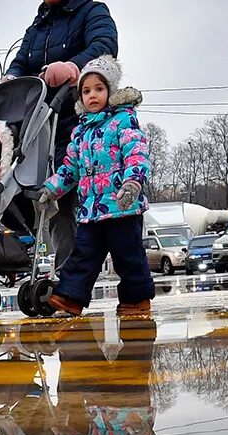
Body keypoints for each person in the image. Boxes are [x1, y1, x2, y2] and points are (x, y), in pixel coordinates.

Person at [4, 0, 119, 272]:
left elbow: (104, 45)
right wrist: (11, 77)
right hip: (46, 127)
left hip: (86, 123)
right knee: (55, 202)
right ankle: (67, 277)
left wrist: (72, 67)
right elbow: (22, 60)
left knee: (89, 202)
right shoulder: (38, 27)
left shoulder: (92, 12)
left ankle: (113, 271)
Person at [39, 56, 154, 317]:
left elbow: (136, 153)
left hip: (122, 206)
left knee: (129, 256)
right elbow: (70, 168)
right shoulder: (80, 132)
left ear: (110, 91)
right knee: (83, 256)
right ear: (80, 97)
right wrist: (51, 188)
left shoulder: (123, 120)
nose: (93, 96)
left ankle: (136, 300)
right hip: (91, 210)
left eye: (99, 89)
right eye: (86, 91)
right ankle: (71, 296)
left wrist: (133, 182)